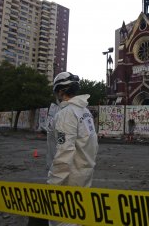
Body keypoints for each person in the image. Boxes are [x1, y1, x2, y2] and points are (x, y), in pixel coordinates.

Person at [47, 72, 98, 226]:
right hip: (84, 175)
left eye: (57, 92)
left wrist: (54, 185)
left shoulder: (66, 114)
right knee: (79, 218)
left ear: (61, 92)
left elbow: (64, 153)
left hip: (68, 181)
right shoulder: (84, 112)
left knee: (64, 221)